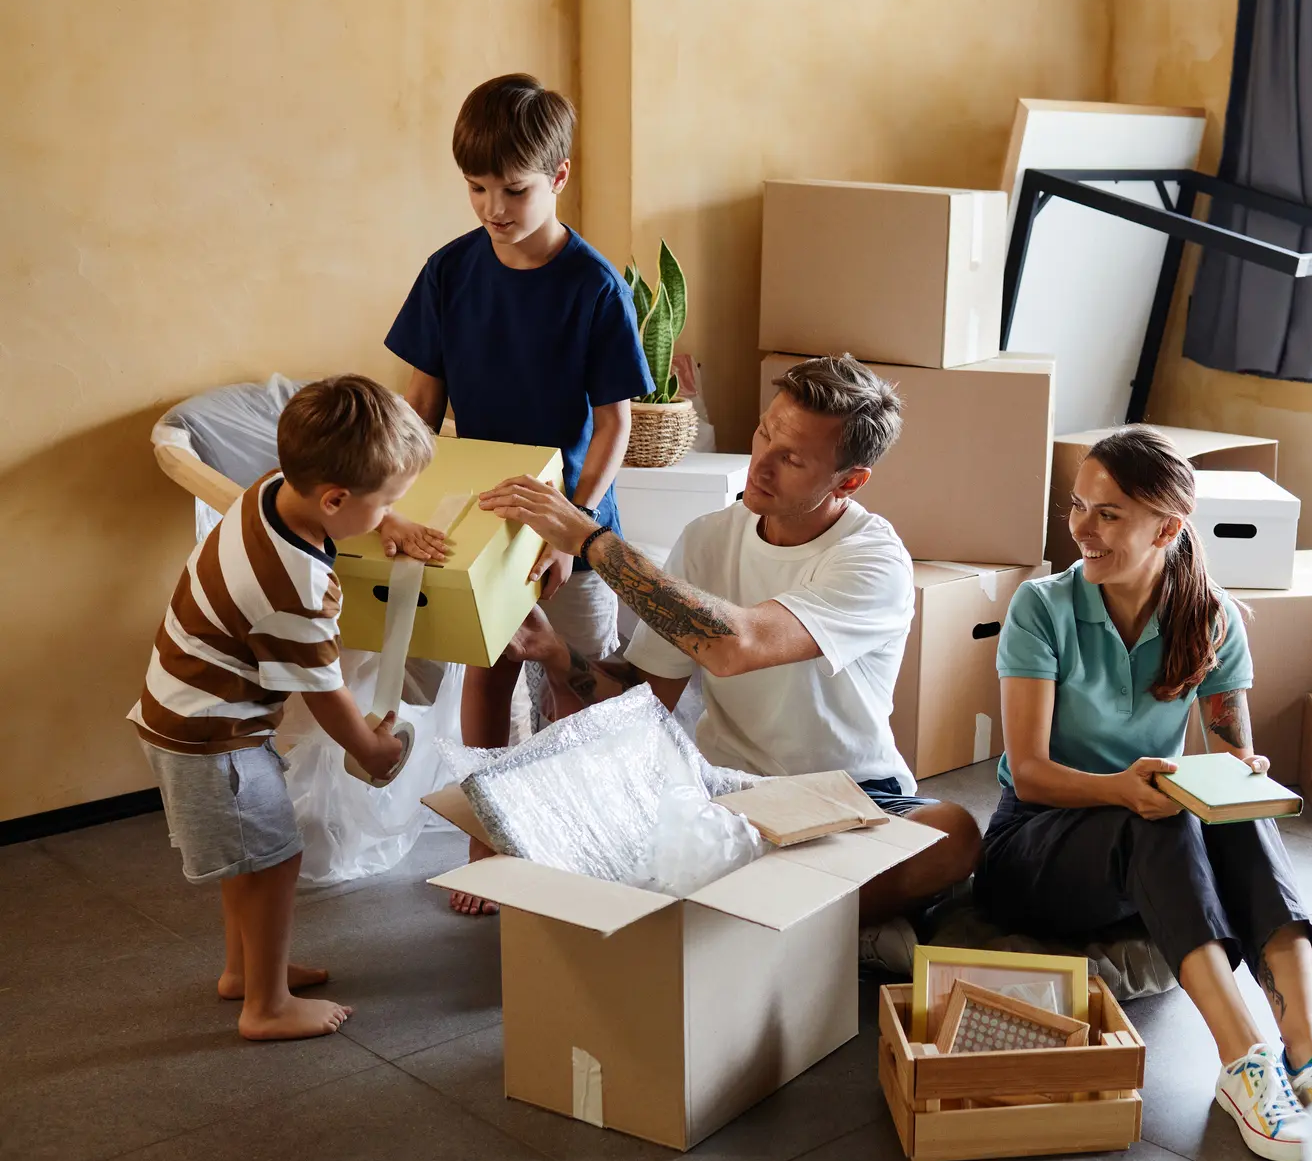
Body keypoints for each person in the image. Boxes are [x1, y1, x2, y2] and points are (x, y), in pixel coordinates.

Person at [479, 355, 983, 973]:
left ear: (849, 482)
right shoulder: (709, 536)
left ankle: (753, 932)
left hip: (851, 797)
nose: (762, 462)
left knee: (953, 833)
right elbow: (642, 697)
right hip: (725, 798)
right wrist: (556, 655)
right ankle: (813, 931)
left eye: (792, 457)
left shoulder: (872, 560)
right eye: (766, 432)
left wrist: (589, 538)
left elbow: (734, 645)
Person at [974, 426, 1312, 1161]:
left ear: (1168, 528)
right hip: (1035, 842)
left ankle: (1310, 1049)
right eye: (1078, 506)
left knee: (1225, 806)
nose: (1082, 527)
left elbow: (1232, 753)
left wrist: (1244, 771)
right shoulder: (1040, 607)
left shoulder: (1212, 618)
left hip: (1140, 835)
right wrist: (1121, 786)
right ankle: (1243, 1062)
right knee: (1162, 808)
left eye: (1108, 513)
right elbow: (1034, 769)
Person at [381, 73, 653, 912]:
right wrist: (390, 505)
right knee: (490, 671)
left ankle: (574, 834)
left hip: (573, 524)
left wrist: (568, 531)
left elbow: (615, 425)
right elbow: (418, 410)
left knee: (574, 678)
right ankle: (489, 840)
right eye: (477, 188)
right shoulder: (448, 272)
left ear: (559, 178)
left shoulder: (594, 286)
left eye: (514, 189)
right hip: (483, 520)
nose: (493, 207)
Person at [128, 376, 433, 1040]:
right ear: (335, 498)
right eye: (388, 503)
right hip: (216, 737)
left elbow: (339, 510)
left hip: (186, 711)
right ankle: (264, 1005)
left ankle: (245, 969)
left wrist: (387, 516)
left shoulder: (271, 488)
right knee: (273, 859)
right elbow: (325, 693)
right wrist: (373, 749)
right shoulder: (294, 587)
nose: (390, 515)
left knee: (253, 855)